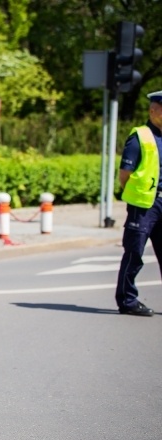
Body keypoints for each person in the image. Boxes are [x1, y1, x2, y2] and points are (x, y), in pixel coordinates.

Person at [114, 89, 162, 317]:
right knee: (134, 253)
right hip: (144, 206)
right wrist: (136, 195)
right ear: (153, 110)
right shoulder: (140, 136)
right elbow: (125, 174)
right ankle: (127, 301)